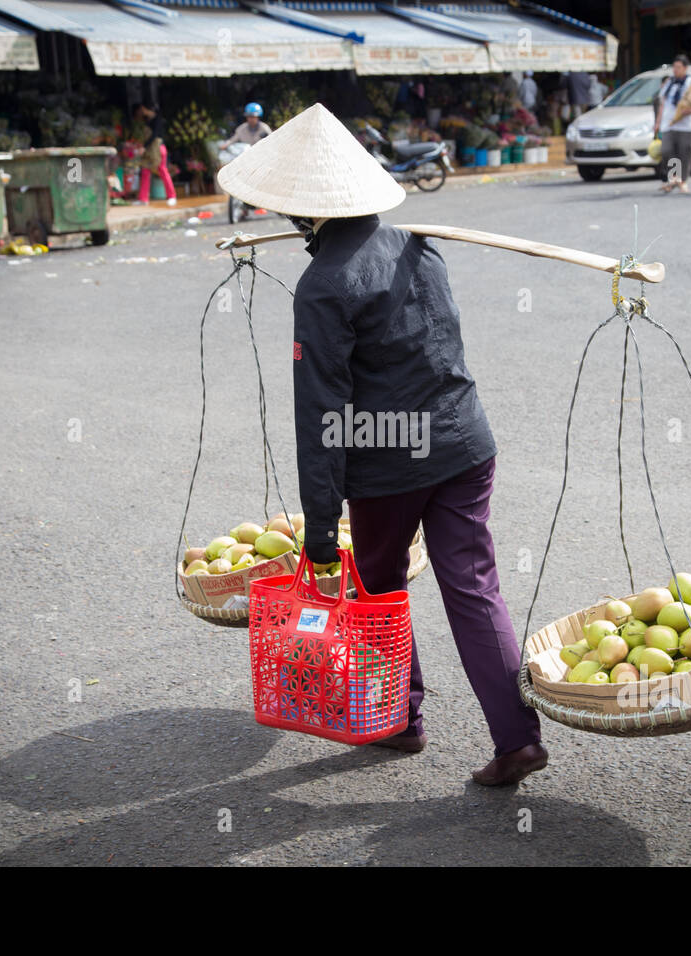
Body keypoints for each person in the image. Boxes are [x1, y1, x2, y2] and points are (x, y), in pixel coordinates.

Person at [216, 103, 548, 787]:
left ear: (304, 215)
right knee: (475, 587)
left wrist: (317, 525)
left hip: (392, 466)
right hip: (465, 442)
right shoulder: (419, 245)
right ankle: (517, 740)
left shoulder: (321, 286)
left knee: (378, 592)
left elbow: (322, 415)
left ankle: (399, 720)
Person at [654, 54, 691, 194]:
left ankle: (682, 181)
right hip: (669, 123)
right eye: (674, 67)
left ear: (685, 68)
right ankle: (673, 178)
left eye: (678, 67)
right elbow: (663, 103)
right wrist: (658, 121)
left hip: (685, 124)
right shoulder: (669, 82)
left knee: (684, 153)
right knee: (668, 151)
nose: (675, 70)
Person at [132, 103, 177, 207]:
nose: (141, 112)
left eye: (142, 109)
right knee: (145, 171)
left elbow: (154, 135)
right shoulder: (147, 121)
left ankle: (172, 196)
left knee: (162, 171)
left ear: (146, 109)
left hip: (158, 149)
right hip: (149, 150)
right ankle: (143, 199)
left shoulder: (158, 120)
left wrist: (144, 146)